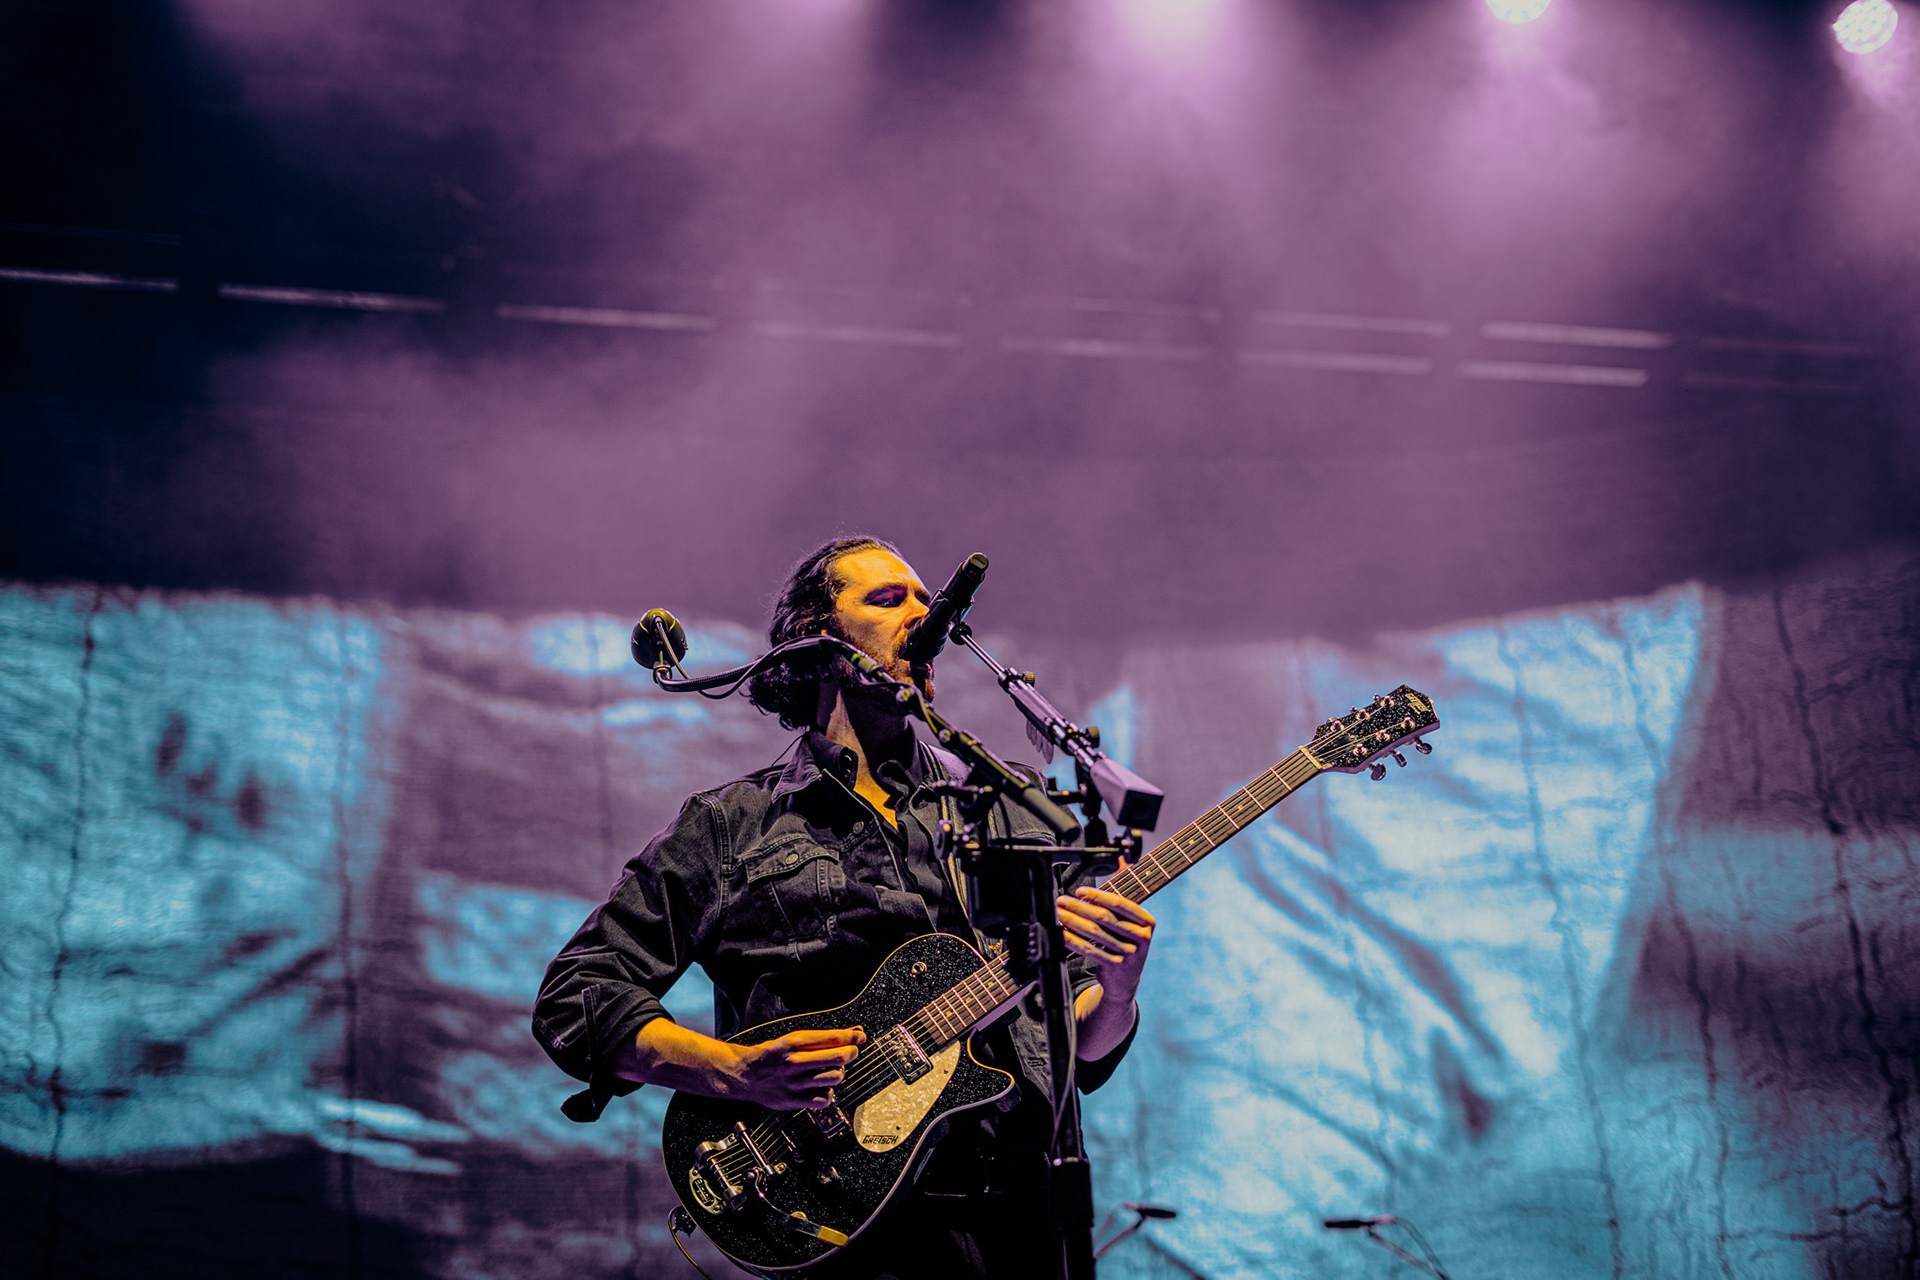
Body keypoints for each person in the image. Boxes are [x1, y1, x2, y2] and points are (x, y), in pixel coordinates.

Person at [532, 536, 1155, 1280]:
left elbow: (1082, 1046)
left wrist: (1118, 989)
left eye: (925, 600)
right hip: (842, 1223)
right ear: (817, 641)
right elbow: (577, 996)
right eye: (888, 600)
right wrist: (732, 1071)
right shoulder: (732, 826)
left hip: (1024, 1219)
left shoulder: (1007, 808)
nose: (921, 614)